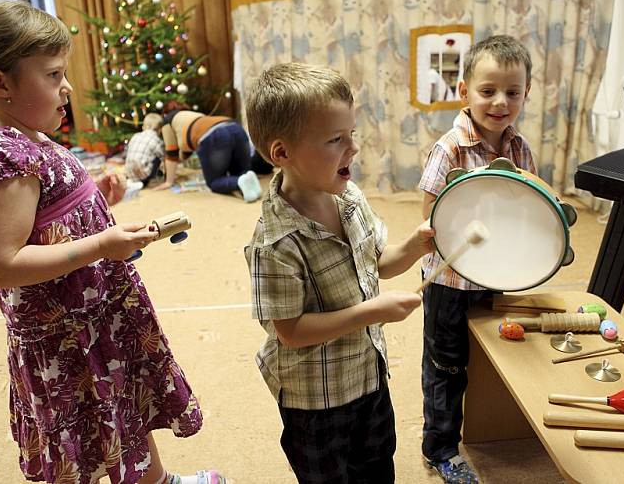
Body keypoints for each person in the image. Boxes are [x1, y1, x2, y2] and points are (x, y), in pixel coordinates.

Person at [0, 0, 223, 484]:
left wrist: (94, 196)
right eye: (54, 75)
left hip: (93, 316)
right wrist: (99, 246)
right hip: (66, 336)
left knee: (120, 406)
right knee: (89, 420)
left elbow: (43, 218)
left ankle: (158, 479)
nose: (68, 87)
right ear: (0, 83)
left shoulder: (31, 137)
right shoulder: (2, 157)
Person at [244, 62, 436, 484]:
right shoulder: (274, 244)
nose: (352, 148)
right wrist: (372, 313)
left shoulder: (349, 198)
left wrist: (415, 246)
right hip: (316, 401)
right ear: (282, 154)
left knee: (377, 464)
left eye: (352, 134)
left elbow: (378, 262)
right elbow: (291, 331)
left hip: (368, 377)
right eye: (335, 139)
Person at [418, 35, 537, 483]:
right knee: (446, 366)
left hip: (497, 276)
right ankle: (441, 447)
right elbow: (429, 215)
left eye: (512, 91)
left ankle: (484, 431)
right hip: (451, 282)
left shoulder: (520, 148)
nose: (500, 101)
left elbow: (528, 209)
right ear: (465, 89)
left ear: (527, 92)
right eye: (488, 91)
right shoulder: (449, 148)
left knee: (489, 360)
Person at [154, 110, 262, 202]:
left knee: (214, 182)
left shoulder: (166, 123)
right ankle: (248, 184)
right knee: (242, 173)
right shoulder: (192, 117)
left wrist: (169, 181)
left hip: (215, 135)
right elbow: (184, 154)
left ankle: (239, 182)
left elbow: (172, 154)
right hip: (236, 128)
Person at [125, 112, 165, 187]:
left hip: (129, 174)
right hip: (143, 177)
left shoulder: (135, 136)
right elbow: (164, 157)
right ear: (160, 130)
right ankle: (150, 180)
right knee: (158, 157)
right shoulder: (156, 139)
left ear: (143, 127)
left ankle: (134, 181)